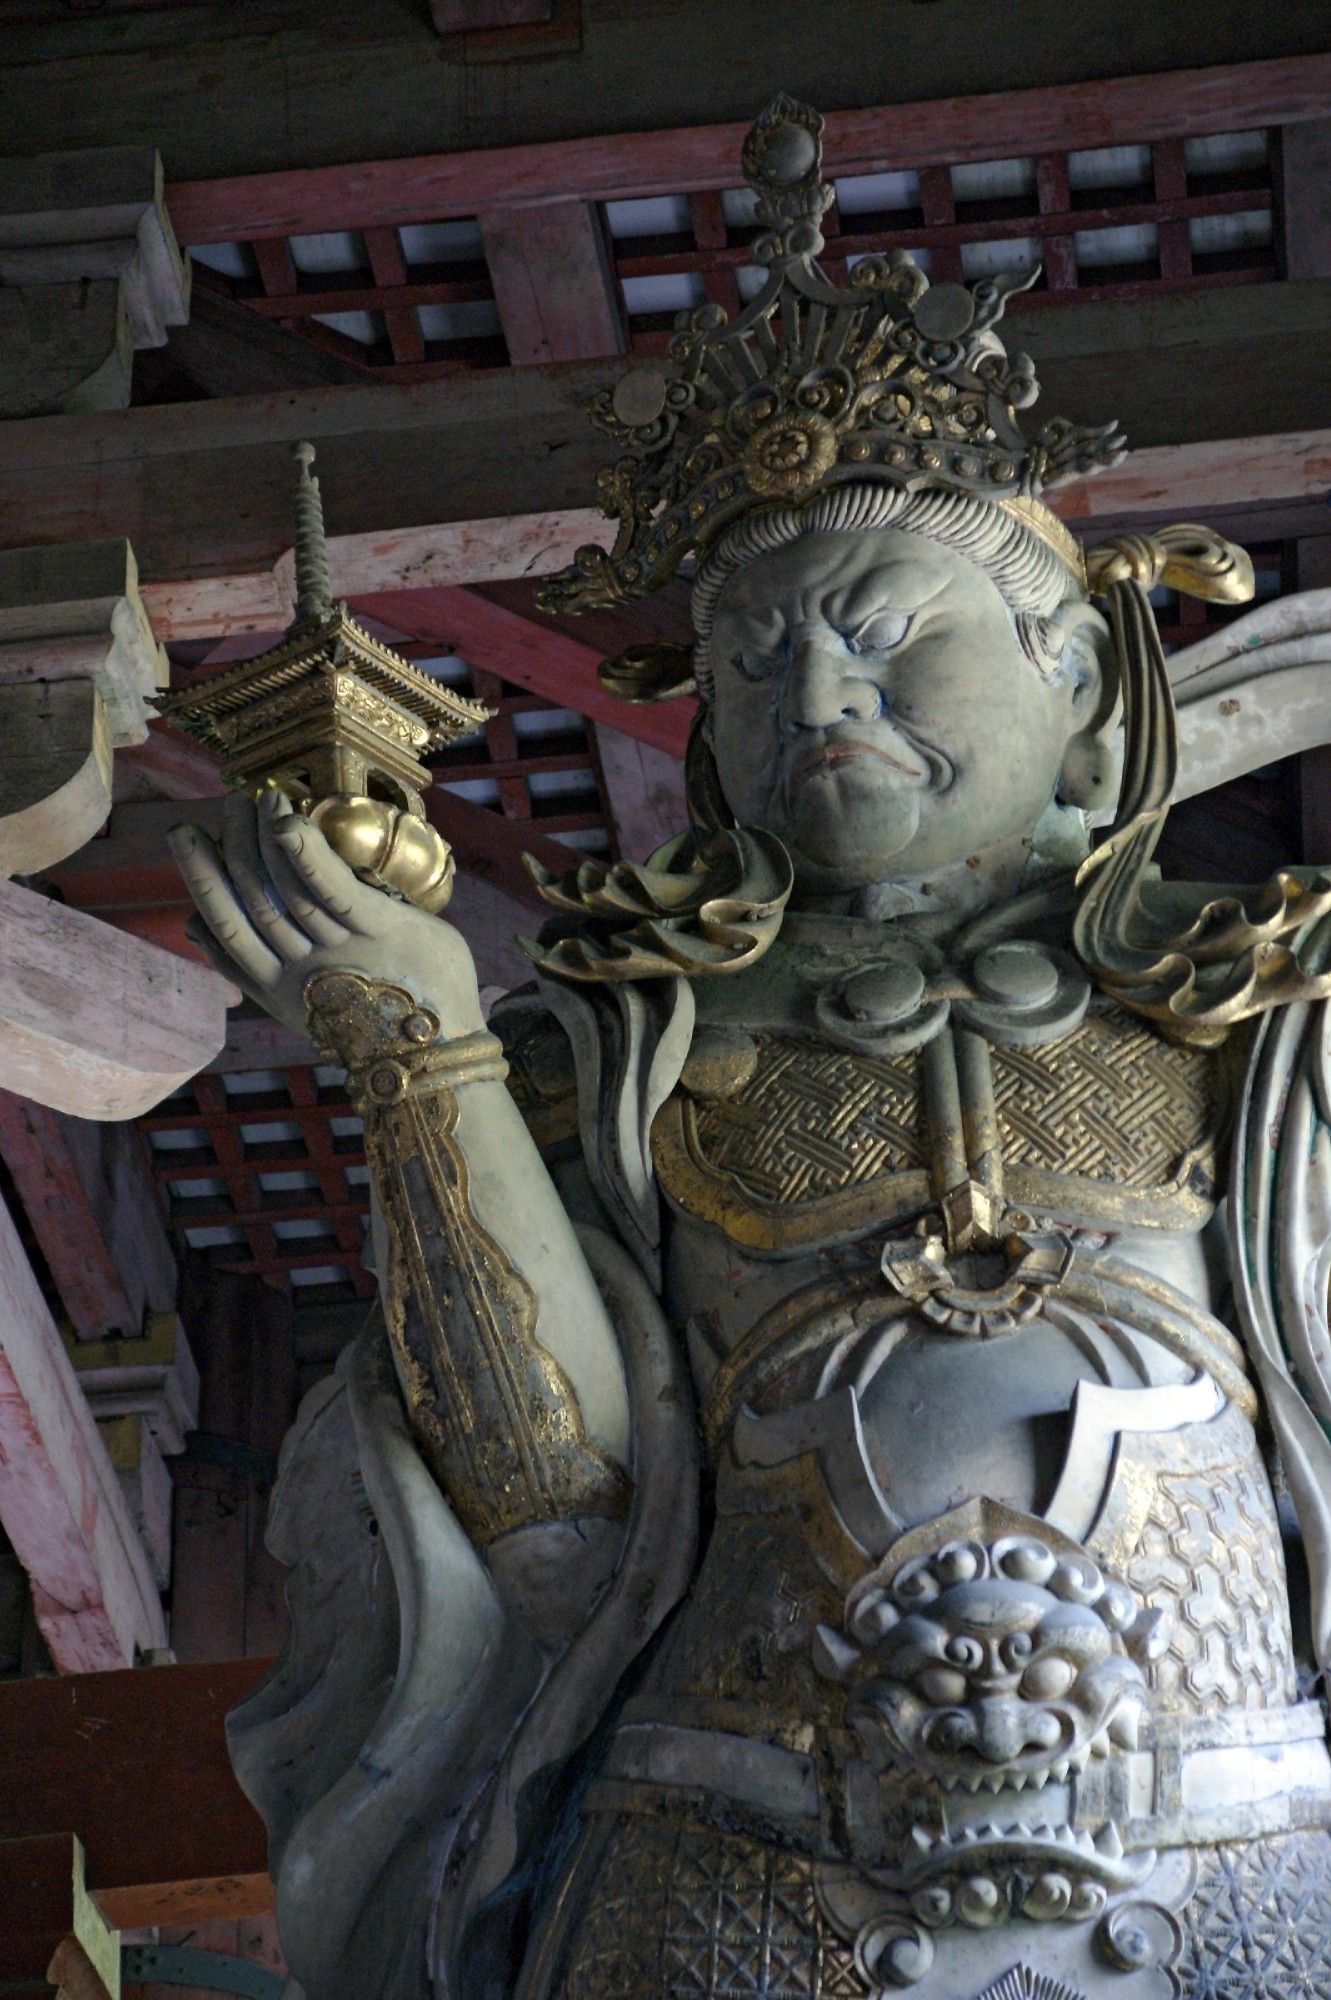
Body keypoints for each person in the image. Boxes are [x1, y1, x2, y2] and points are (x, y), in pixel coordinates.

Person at [171, 95, 1331, 2000]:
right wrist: (423, 1052)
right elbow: (559, 1530)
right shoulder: (625, 1065)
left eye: (885, 628)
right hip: (736, 1844)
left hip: (1233, 1834)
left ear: (1088, 685)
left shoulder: (1267, 1038)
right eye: (758, 661)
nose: (820, 694)